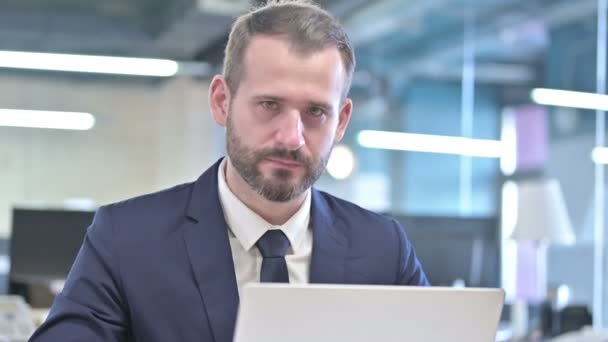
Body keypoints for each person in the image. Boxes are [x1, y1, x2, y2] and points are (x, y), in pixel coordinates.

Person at [30, 1, 428, 341]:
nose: (292, 137)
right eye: (270, 104)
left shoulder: (383, 248)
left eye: (316, 112)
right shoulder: (127, 238)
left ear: (341, 122)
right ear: (222, 101)